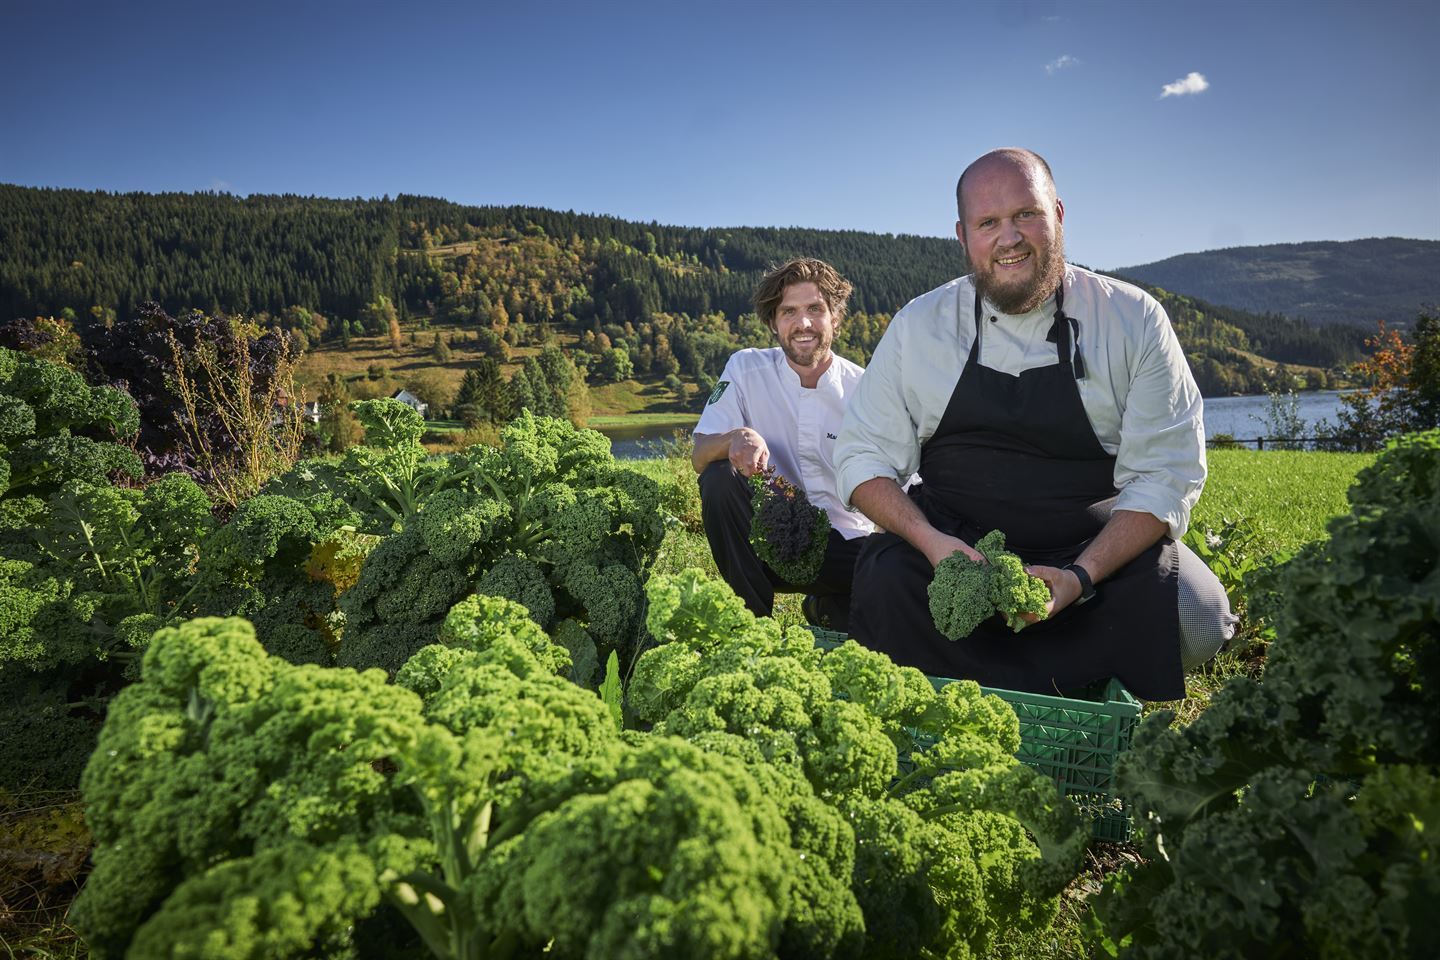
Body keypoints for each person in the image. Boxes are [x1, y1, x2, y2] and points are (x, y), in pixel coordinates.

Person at [834, 148, 1235, 700]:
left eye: (1026, 214)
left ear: (1059, 216)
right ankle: (1045, 686)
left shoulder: (1132, 318)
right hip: (955, 549)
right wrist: (933, 544)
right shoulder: (919, 326)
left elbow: (1164, 477)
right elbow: (862, 458)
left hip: (1091, 547)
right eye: (988, 223)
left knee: (1199, 616)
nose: (1009, 238)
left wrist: (1079, 577)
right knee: (882, 580)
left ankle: (1067, 691)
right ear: (962, 235)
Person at [692, 257, 872, 630]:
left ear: (835, 318)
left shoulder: (865, 390)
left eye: (815, 309)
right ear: (773, 323)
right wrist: (736, 437)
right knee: (718, 478)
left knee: (890, 581)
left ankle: (828, 609)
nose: (802, 323)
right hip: (769, 541)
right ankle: (751, 629)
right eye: (788, 311)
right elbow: (699, 454)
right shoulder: (745, 368)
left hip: (847, 548)